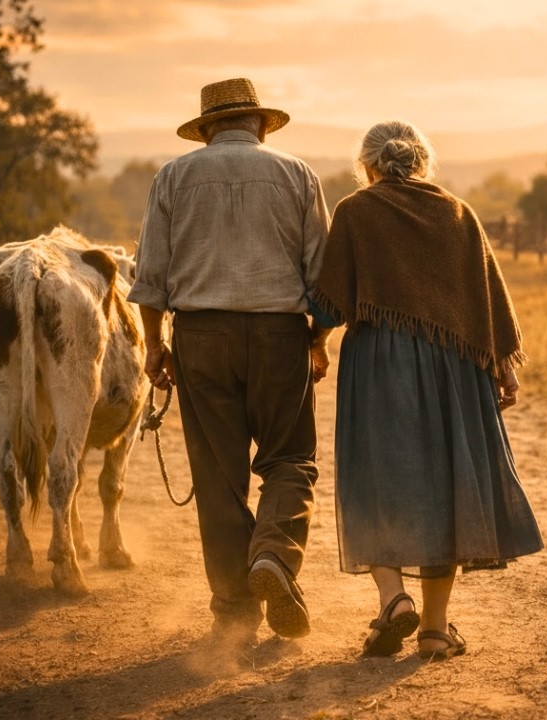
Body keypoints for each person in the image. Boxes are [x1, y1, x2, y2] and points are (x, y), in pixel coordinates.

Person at [311, 120, 543, 660]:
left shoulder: (354, 211)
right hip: (453, 369)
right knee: (446, 485)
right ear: (422, 162)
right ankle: (436, 631)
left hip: (378, 364)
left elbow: (328, 302)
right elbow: (488, 298)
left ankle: (393, 601)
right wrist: (503, 367)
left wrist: (316, 340)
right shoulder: (458, 212)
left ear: (367, 166)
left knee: (375, 478)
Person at [130, 78, 330, 652]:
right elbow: (321, 276)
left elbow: (150, 280)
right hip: (278, 335)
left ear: (208, 128)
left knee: (218, 479)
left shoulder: (172, 177)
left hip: (200, 335)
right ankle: (272, 554)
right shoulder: (297, 175)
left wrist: (153, 346)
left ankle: (235, 613)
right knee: (290, 458)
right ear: (261, 125)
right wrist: (317, 340)